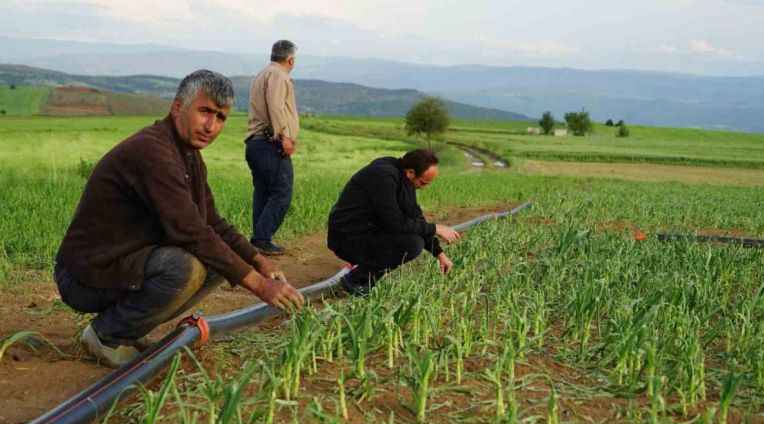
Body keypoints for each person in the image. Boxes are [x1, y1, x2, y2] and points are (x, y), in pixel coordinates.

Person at [55, 70, 304, 368]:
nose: (211, 126)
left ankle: (127, 330)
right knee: (183, 268)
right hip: (85, 274)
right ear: (177, 108)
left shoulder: (187, 155)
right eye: (205, 112)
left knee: (218, 262)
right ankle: (106, 335)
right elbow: (191, 232)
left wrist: (258, 261)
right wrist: (260, 287)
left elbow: (211, 222)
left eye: (221, 117)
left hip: (122, 262)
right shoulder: (153, 152)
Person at [327, 149, 462, 295]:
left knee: (413, 238)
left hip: (366, 232)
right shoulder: (383, 176)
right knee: (412, 244)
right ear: (410, 172)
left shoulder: (404, 179)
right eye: (423, 183)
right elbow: (395, 222)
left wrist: (439, 254)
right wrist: (435, 228)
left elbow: (414, 217)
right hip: (346, 237)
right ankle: (356, 279)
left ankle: (364, 277)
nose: (424, 188)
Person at [245, 39, 300, 255]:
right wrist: (284, 136)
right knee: (281, 192)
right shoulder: (278, 75)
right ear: (290, 59)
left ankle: (259, 240)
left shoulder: (263, 73)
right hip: (270, 143)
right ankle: (261, 239)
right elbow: (276, 106)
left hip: (256, 144)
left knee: (264, 192)